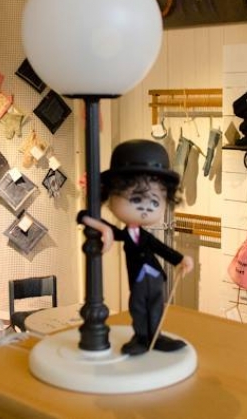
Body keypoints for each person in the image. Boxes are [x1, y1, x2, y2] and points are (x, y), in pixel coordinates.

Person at [78, 139, 194, 356]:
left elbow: (162, 249)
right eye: (137, 199)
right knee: (138, 307)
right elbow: (83, 216)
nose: (145, 208)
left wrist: (180, 259)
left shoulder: (146, 236)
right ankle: (141, 337)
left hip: (155, 277)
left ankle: (156, 336)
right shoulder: (125, 235)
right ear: (111, 195)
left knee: (156, 307)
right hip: (138, 280)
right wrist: (104, 229)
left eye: (155, 202)